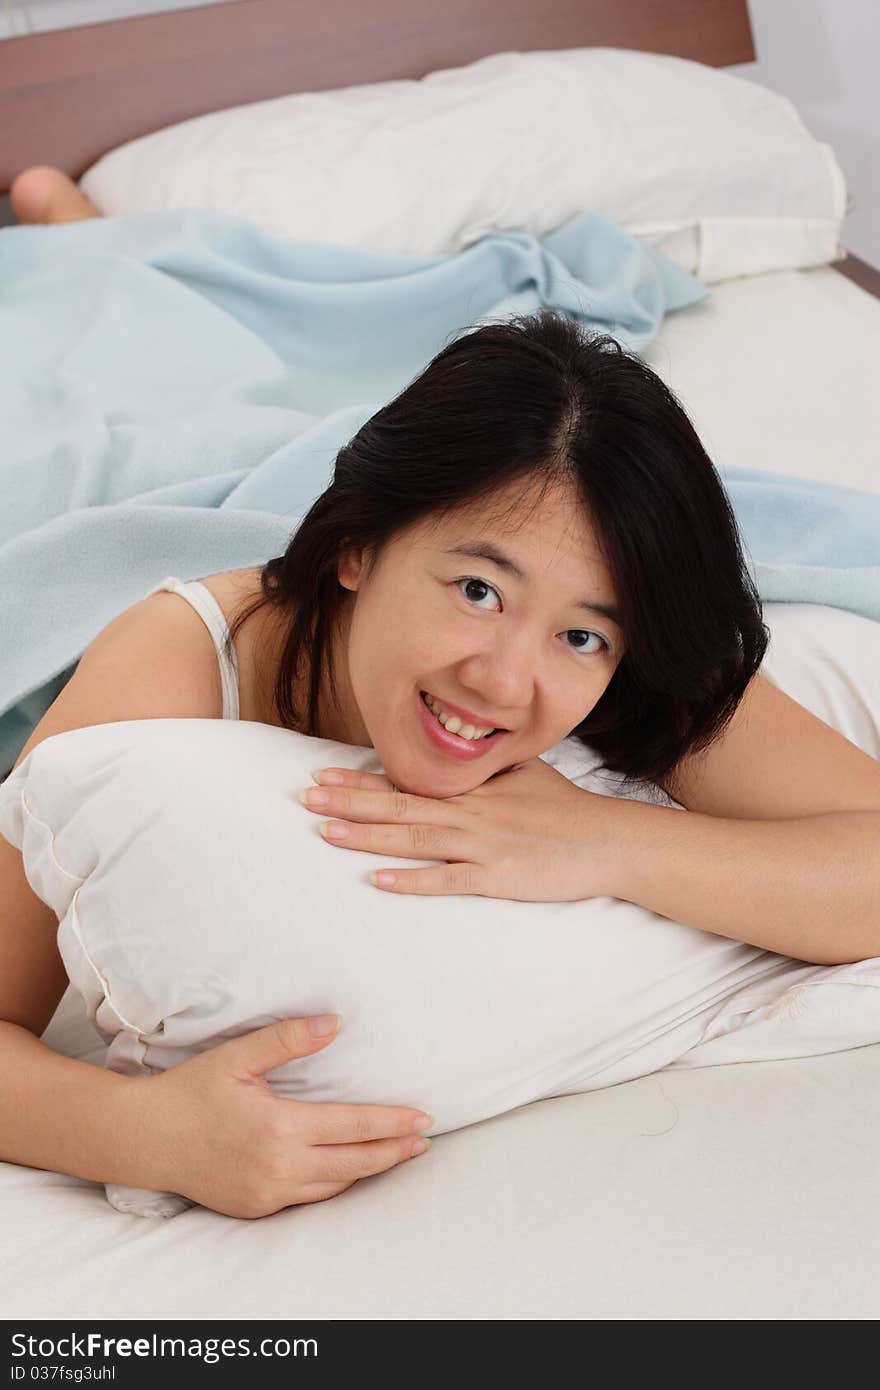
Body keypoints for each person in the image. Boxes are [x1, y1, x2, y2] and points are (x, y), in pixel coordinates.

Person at [2, 167, 879, 1220]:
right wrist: (141, 1132)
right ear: (361, 547)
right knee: (119, 353)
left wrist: (608, 841)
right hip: (157, 489)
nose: (506, 679)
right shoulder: (175, 661)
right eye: (475, 590)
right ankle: (81, 237)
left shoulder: (632, 648)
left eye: (578, 632)